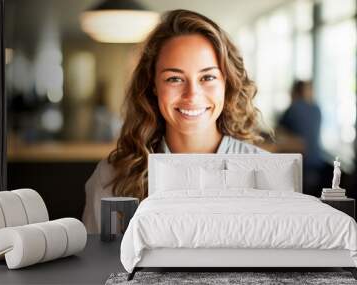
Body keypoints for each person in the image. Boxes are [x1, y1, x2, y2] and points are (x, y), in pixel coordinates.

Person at [82, 9, 270, 233]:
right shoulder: (112, 176)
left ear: (226, 83)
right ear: (153, 85)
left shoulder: (266, 171)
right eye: (174, 79)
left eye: (207, 77)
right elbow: (98, 263)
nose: (192, 95)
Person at [278, 80, 323, 196]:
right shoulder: (317, 109)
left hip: (301, 164)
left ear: (295, 92)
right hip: (317, 164)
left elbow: (277, 131)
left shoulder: (294, 108)